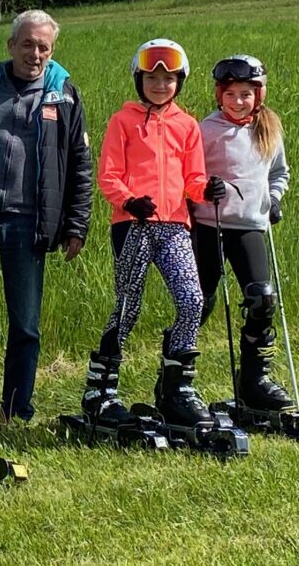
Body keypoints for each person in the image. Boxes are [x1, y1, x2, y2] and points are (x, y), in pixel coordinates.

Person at [82, 38, 226, 431]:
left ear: (180, 81)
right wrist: (130, 202)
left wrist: (206, 190)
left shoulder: (187, 125)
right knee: (128, 304)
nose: (160, 85)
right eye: (152, 78)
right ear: (139, 80)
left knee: (193, 300)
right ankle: (101, 390)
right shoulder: (122, 121)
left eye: (168, 79)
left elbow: (193, 180)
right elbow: (108, 175)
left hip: (176, 225)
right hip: (133, 225)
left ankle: (177, 389)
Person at [0, 9, 93, 422]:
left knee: (26, 325)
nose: (34, 53)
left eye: (43, 47)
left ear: (51, 51)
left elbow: (79, 162)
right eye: (27, 44)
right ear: (11, 45)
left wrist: (75, 224)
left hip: (28, 222)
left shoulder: (63, 93)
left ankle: (15, 408)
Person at [191, 54, 293, 411]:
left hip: (249, 226)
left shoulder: (269, 128)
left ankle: (254, 381)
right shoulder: (207, 130)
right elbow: (188, 175)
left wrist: (275, 199)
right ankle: (175, 380)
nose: (239, 101)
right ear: (220, 95)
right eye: (231, 94)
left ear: (259, 95)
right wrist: (204, 188)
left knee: (261, 299)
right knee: (199, 302)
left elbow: (278, 174)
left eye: (247, 94)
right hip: (208, 224)